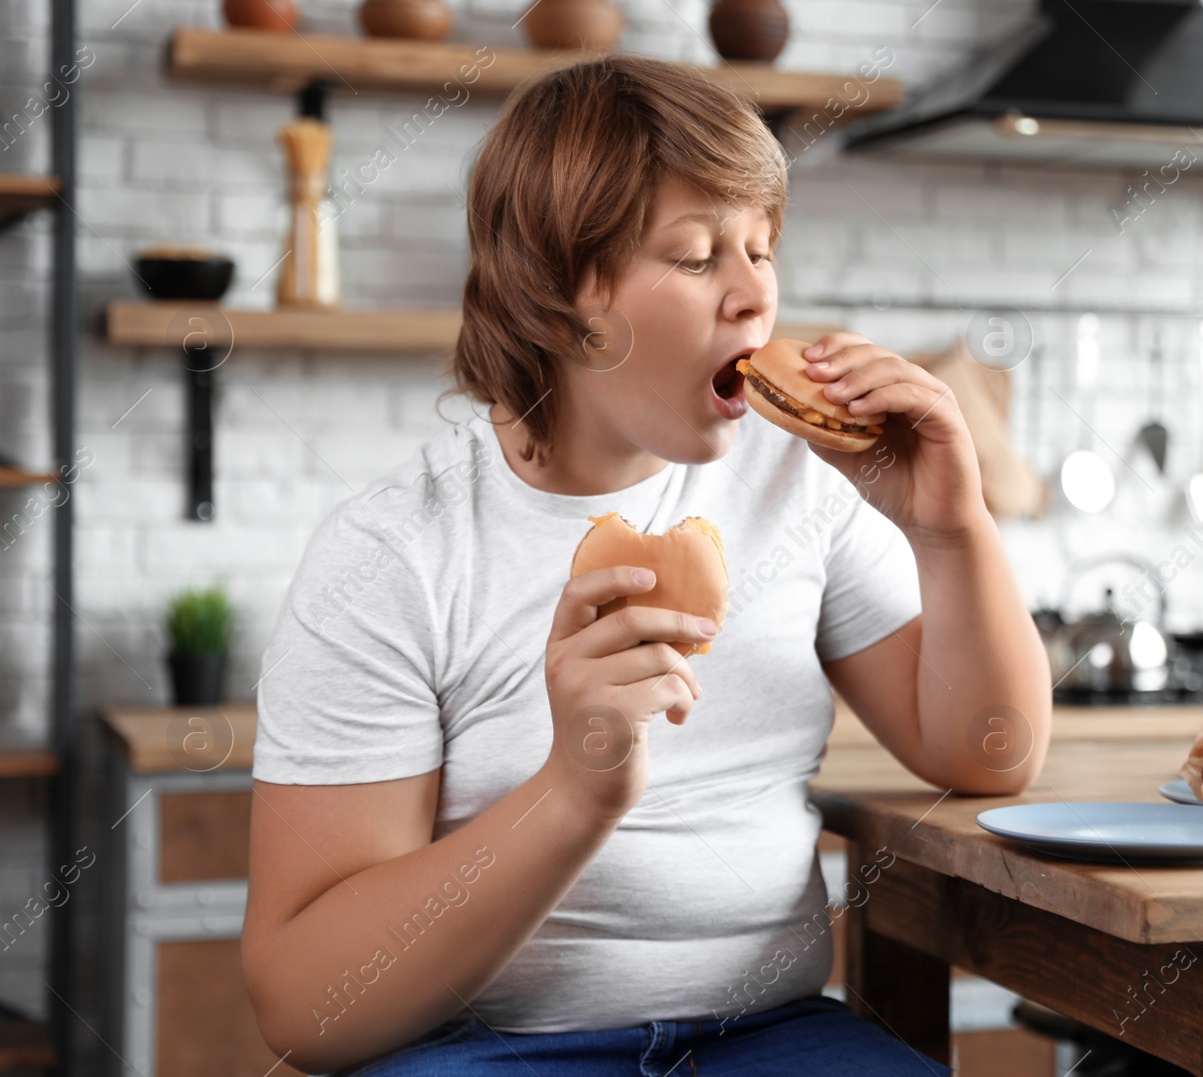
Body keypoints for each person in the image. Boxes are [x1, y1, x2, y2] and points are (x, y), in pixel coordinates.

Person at [240, 54, 1050, 1077]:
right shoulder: (395, 553)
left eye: (763, 248)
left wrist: (952, 528)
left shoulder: (795, 479)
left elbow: (987, 752)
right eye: (698, 256)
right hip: (483, 1051)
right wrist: (573, 792)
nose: (755, 295)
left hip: (774, 1037)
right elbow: (306, 1006)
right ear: (557, 299)